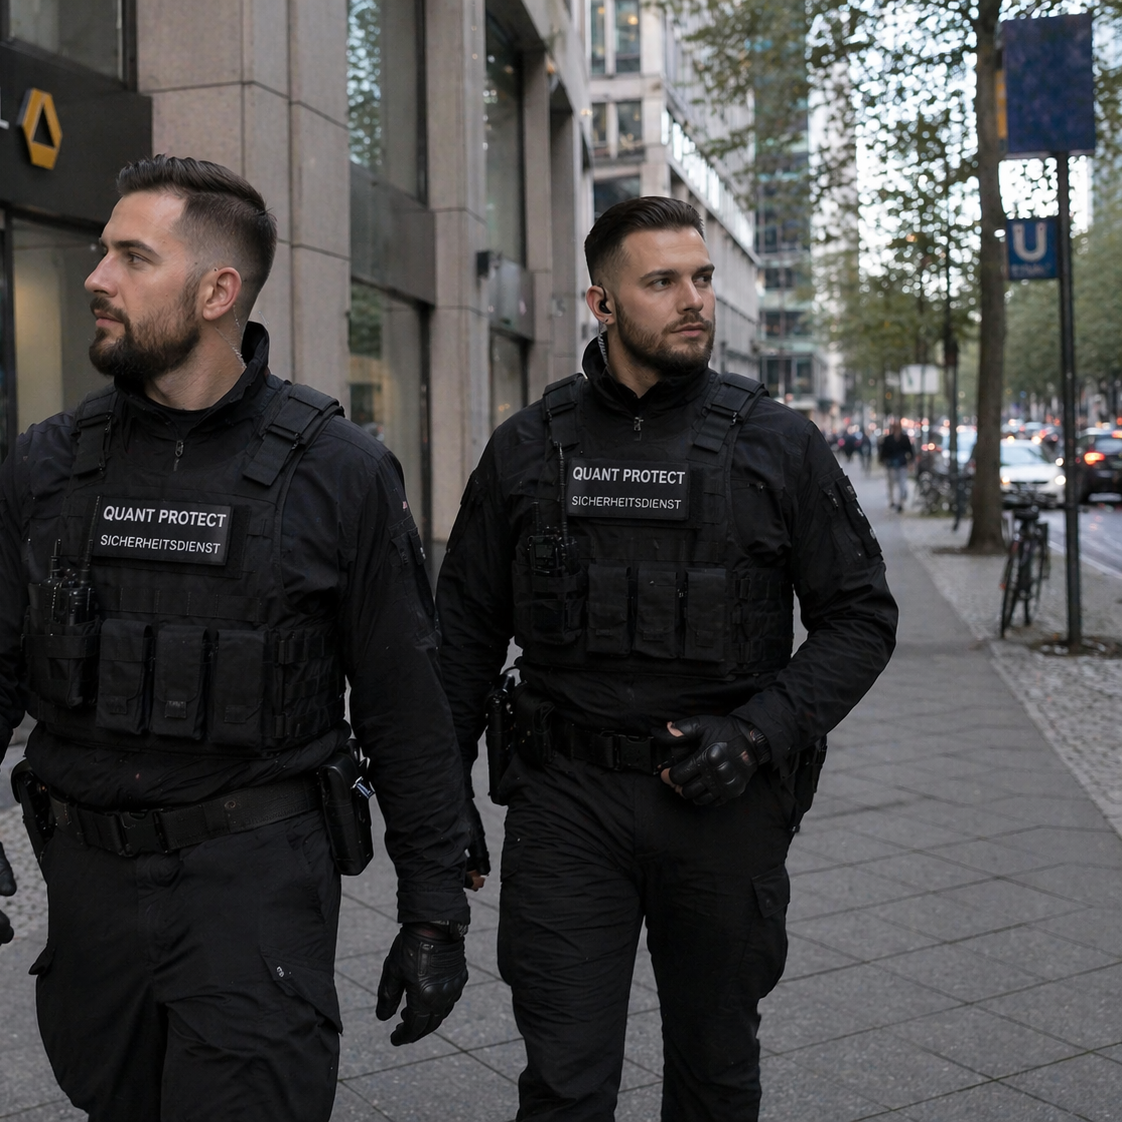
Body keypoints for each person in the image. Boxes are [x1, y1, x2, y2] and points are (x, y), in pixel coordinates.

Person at [0, 156, 470, 1122]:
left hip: (254, 896)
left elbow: (405, 707)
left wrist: (435, 910)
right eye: (102, 253)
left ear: (217, 292)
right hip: (90, 891)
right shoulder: (47, 462)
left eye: (133, 257)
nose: (96, 277)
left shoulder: (340, 471)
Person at [436, 197, 898, 1121]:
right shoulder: (528, 447)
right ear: (603, 303)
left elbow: (860, 617)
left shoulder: (777, 443)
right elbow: (462, 639)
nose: (694, 300)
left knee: (715, 1076)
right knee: (563, 1084)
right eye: (662, 282)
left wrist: (761, 733)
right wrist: (440, 804)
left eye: (702, 278)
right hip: (566, 802)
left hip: (722, 803)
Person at [880, 419, 914, 511]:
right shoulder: (888, 439)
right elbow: (884, 452)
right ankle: (893, 500)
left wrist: (911, 462)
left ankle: (900, 502)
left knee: (901, 483)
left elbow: (910, 450)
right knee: (892, 483)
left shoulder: (904, 438)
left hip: (901, 464)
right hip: (892, 464)